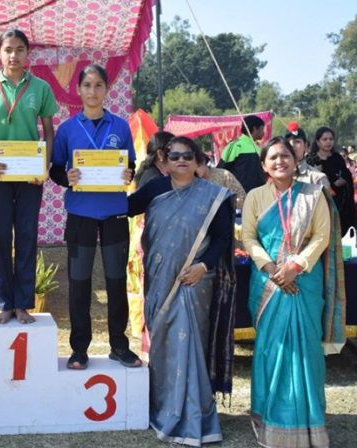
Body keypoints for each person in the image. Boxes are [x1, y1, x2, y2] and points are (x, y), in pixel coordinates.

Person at [128, 136, 236, 446]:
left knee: (190, 346)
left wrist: (203, 266)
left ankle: (196, 414)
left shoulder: (213, 195)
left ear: (198, 159)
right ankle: (163, 407)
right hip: (160, 280)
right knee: (164, 345)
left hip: (195, 280)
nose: (181, 160)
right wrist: (101, 179)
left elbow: (222, 238)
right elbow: (123, 208)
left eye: (188, 155)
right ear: (164, 159)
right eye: (174, 155)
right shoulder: (154, 189)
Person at [242, 136, 345, 448]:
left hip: (304, 281)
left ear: (295, 159)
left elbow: (322, 235)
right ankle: (270, 420)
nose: (279, 162)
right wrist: (272, 268)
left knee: (305, 351)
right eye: (272, 158)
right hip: (267, 283)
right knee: (271, 351)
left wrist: (295, 266)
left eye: (284, 156)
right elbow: (248, 236)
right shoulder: (255, 197)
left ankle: (309, 425)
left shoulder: (314, 194)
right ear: (263, 165)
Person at [49, 64, 141, 370]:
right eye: (87, 85)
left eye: (98, 85)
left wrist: (129, 172)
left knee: (116, 283)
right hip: (80, 214)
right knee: (79, 283)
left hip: (114, 212)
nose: (92, 91)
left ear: (106, 90)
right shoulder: (67, 129)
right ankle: (79, 349)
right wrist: (67, 176)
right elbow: (55, 169)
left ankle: (119, 345)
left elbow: (130, 163)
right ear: (79, 90)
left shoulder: (121, 127)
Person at [0, 29, 58, 324]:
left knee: (26, 236)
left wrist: (44, 167)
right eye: (8, 49)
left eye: (20, 49)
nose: (14, 55)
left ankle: (23, 303)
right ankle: (5, 302)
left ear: (27, 53)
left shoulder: (41, 88)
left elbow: (48, 131)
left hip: (30, 176)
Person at [308, 126, 355, 235]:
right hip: (322, 203)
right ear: (318, 141)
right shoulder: (312, 158)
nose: (328, 142)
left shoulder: (337, 157)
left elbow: (346, 174)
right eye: (324, 139)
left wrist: (344, 181)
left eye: (331, 139)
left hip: (342, 204)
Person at [219, 114, 267, 192]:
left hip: (258, 193)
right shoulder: (235, 146)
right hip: (239, 195)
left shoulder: (259, 148)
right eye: (262, 129)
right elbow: (221, 171)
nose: (263, 132)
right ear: (255, 129)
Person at [284, 122, 330, 190]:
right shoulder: (278, 176)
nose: (292, 146)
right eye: (288, 142)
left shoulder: (316, 178)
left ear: (305, 146)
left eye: (297, 142)